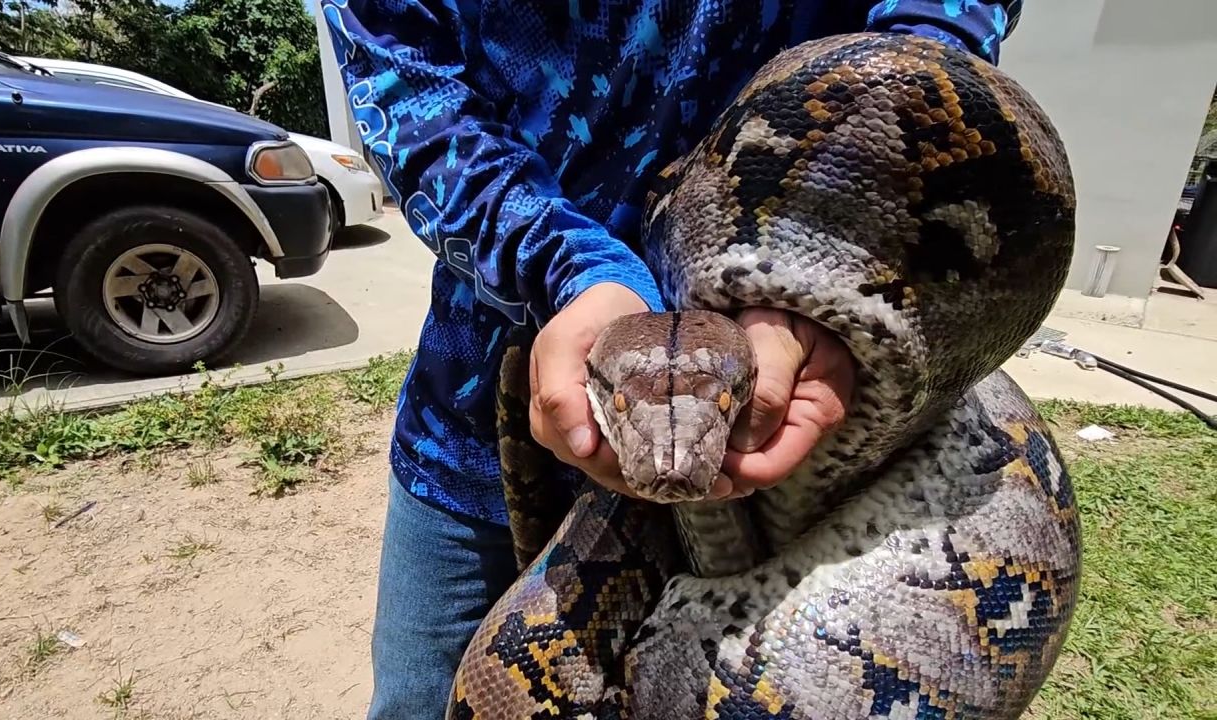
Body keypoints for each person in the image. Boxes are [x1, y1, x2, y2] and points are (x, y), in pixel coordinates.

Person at [320, 1, 1023, 716]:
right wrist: (575, 270)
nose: (671, 465)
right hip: (468, 425)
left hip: (807, 431)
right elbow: (411, 100)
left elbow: (938, 37)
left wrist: (826, 272)